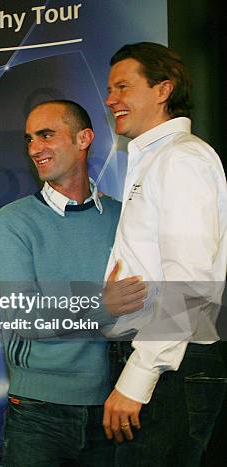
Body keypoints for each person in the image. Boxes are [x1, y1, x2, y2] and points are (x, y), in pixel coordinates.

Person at [0, 100, 145, 466]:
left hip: (114, 407)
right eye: (29, 139)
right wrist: (102, 306)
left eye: (46, 135)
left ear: (84, 138)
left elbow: (143, 306)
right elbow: (24, 318)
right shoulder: (12, 222)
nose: (35, 149)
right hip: (37, 413)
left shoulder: (124, 217)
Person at [103, 42, 227, 466]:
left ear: (163, 90)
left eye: (123, 86)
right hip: (159, 361)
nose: (110, 99)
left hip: (171, 367)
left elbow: (190, 284)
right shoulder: (154, 160)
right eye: (109, 89)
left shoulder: (180, 159)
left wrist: (137, 377)